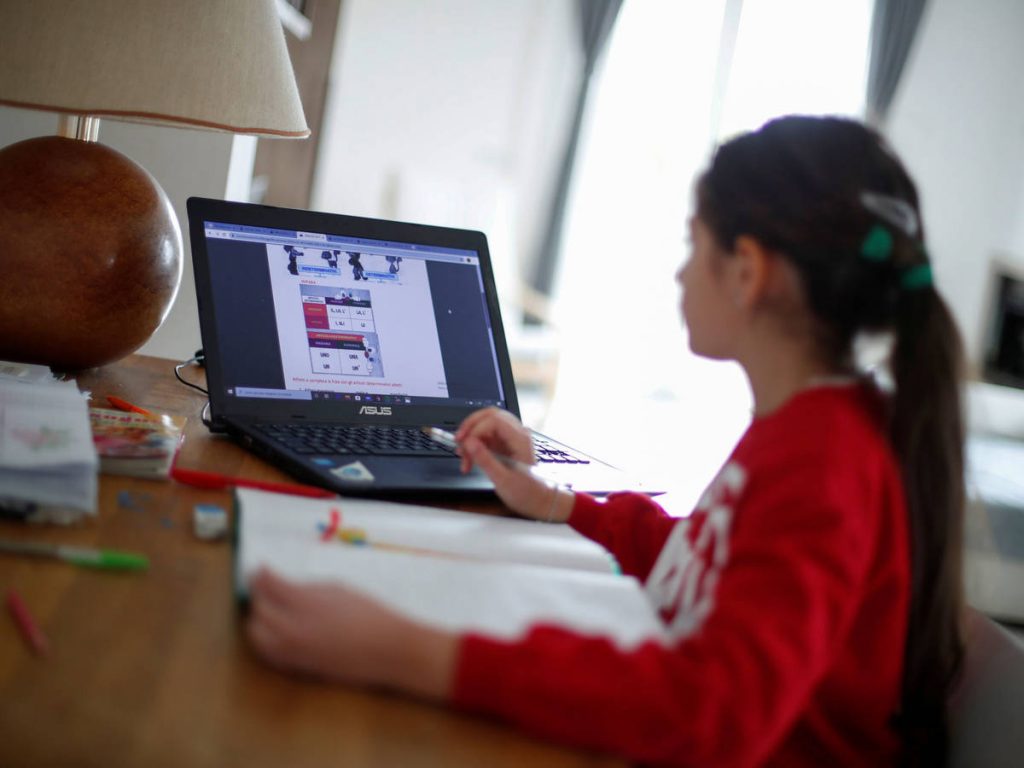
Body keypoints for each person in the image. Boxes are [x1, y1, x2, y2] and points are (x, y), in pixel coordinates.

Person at [245, 116, 966, 767]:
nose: (680, 271)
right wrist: (558, 504)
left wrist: (409, 652)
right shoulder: (813, 425)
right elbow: (707, 563)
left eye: (693, 244)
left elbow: (710, 710)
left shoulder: (825, 458)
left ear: (748, 272)